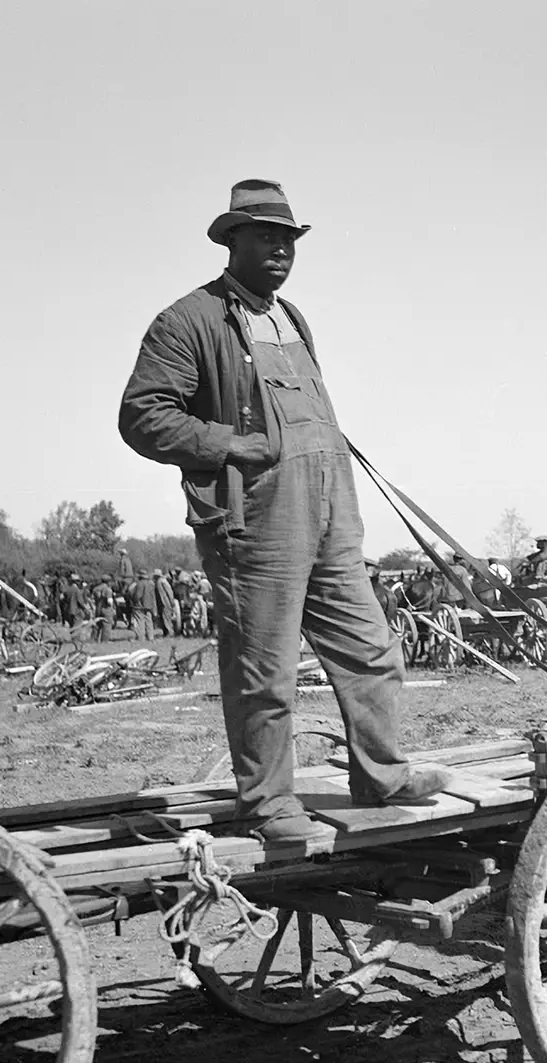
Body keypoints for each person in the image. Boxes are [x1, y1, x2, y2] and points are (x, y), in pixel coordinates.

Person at [119, 177, 451, 842]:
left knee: (372, 647)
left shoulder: (292, 317)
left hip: (332, 509)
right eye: (265, 236)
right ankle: (269, 805)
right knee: (264, 670)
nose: (280, 249)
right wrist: (226, 444)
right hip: (257, 521)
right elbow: (141, 414)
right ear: (231, 240)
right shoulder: (189, 320)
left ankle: (380, 774)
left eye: (288, 239)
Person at [128, 569, 157, 640]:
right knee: (149, 622)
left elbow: (138, 595)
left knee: (140, 621)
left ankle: (141, 638)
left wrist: (134, 602)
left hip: (140, 606)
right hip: (149, 606)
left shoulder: (140, 583)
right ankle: (150, 637)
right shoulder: (151, 584)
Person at [90, 574, 116, 642]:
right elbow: (109, 601)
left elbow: (92, 599)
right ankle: (104, 641)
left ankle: (93, 639)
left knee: (97, 625)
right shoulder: (108, 589)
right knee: (107, 625)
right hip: (106, 609)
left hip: (98, 608)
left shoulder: (95, 588)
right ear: (108, 582)